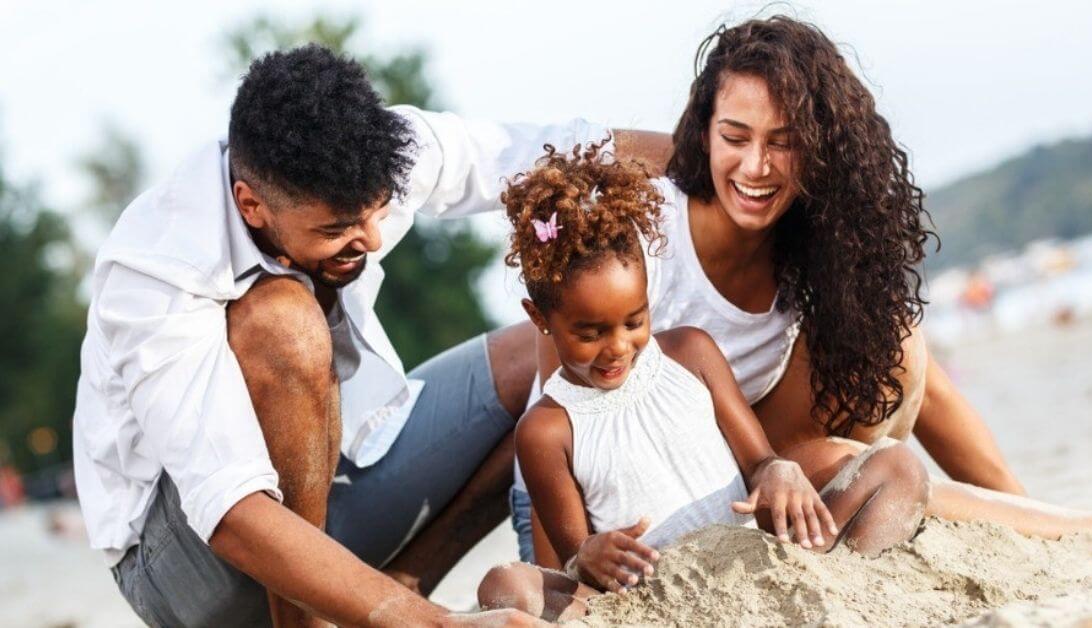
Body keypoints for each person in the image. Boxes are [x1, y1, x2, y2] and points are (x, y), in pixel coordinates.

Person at [511, 16, 1092, 564]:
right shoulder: (629, 245)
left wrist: (1031, 512)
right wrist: (564, 571)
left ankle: (1055, 528)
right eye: (735, 137)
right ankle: (1067, 527)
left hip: (724, 468)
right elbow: (559, 417)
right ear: (702, 133)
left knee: (894, 339)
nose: (756, 167)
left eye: (783, 143)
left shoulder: (810, 240)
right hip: (592, 503)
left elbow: (929, 390)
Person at [72, 45, 667, 627]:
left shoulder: (384, 148)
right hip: (189, 566)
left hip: (331, 495)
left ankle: (395, 589)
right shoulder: (155, 268)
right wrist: (436, 625)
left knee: (536, 359)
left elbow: (558, 154)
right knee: (285, 322)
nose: (372, 239)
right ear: (250, 205)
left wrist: (712, 152)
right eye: (338, 228)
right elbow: (229, 509)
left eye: (378, 211)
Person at [475, 144, 931, 621]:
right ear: (539, 318)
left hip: (752, 565)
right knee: (504, 583)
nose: (617, 348)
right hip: (648, 601)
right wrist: (589, 553)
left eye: (634, 321)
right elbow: (572, 558)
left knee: (898, 467)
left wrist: (778, 472)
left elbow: (759, 462)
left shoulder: (691, 353)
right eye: (589, 334)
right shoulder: (546, 430)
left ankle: (845, 596)